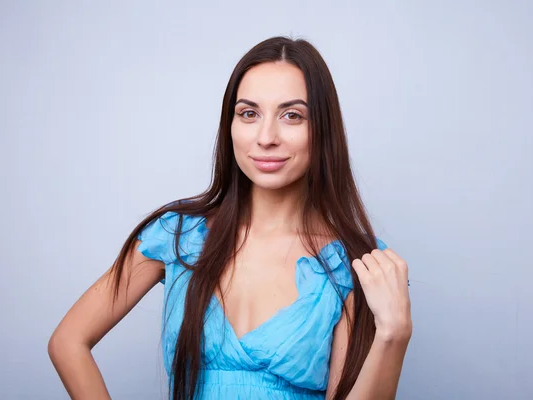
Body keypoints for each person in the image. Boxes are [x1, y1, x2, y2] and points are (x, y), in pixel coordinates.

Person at [48, 36, 412, 400]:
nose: (266, 137)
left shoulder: (353, 264)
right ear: (231, 125)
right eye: (249, 113)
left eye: (292, 115)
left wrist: (393, 335)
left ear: (322, 130)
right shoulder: (179, 236)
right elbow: (68, 341)